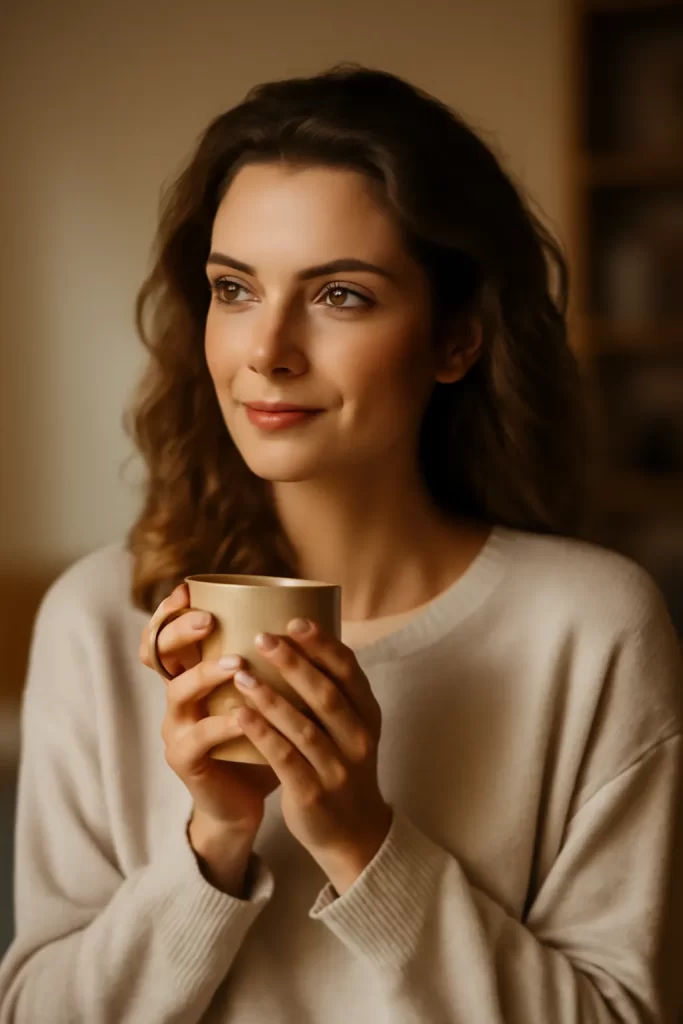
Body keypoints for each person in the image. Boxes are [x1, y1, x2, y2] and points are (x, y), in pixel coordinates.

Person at [0, 63, 681, 1024]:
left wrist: (364, 843)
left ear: (455, 340)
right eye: (234, 289)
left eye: (340, 296)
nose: (266, 349)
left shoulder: (590, 628)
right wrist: (212, 842)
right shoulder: (98, 620)